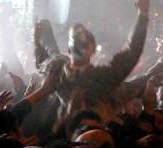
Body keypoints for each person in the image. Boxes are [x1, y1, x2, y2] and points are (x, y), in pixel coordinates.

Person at [23, 0, 151, 130]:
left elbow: (132, 51)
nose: (81, 42)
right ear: (69, 49)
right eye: (77, 40)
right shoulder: (57, 72)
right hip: (68, 133)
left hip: (97, 135)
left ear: (93, 50)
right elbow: (43, 64)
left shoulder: (102, 77)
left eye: (85, 42)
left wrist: (143, 15)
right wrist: (37, 43)